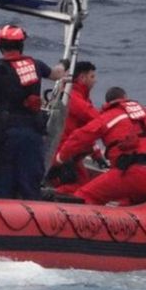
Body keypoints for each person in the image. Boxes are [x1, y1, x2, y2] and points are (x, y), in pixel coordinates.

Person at [0, 24, 67, 200]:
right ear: (22, 45)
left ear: (0, 46)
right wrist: (64, 63)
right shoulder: (36, 65)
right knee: (30, 183)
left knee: (2, 181)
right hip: (32, 134)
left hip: (5, 134)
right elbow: (57, 74)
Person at [51, 87, 146, 205]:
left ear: (107, 103)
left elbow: (80, 137)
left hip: (131, 172)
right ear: (125, 97)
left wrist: (58, 159)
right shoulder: (144, 114)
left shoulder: (108, 117)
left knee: (85, 195)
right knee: (129, 201)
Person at [51, 60, 103, 193]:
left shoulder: (81, 98)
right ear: (82, 78)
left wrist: (96, 154)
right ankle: (51, 196)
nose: (95, 81)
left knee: (84, 182)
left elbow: (87, 131)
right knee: (79, 186)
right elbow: (95, 119)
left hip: (72, 152)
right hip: (63, 152)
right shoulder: (73, 97)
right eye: (92, 77)